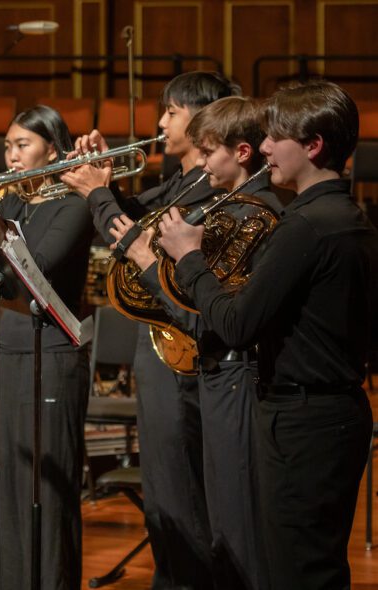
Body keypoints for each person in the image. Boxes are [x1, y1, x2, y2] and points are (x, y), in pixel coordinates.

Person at [158, 80, 376, 590]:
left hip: (301, 421)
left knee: (295, 571)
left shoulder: (305, 228)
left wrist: (189, 258)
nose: (265, 148)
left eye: (277, 137)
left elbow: (236, 324)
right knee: (314, 566)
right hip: (336, 412)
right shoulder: (352, 219)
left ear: (313, 145)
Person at [60, 71, 239, 588]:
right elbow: (132, 213)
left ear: (205, 119)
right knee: (164, 495)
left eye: (172, 112)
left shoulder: (213, 189)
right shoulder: (183, 181)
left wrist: (100, 193)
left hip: (183, 355)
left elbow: (138, 241)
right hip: (159, 352)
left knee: (181, 495)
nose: (160, 123)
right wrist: (103, 179)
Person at [109, 96, 283, 590]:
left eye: (209, 152)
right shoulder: (228, 204)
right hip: (217, 376)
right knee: (223, 525)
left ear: (243, 152)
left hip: (237, 376)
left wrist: (150, 259)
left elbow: (202, 312)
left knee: (238, 525)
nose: (201, 164)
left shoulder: (254, 212)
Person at [0, 105, 93, 589]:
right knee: (3, 480)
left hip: (52, 352)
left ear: (52, 149)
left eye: (22, 145)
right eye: (7, 146)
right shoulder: (12, 203)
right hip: (9, 349)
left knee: (45, 489)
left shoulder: (72, 204)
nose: (11, 156)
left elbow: (38, 267)